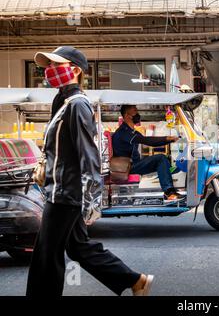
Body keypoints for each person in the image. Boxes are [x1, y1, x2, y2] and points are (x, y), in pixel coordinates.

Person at [27, 46, 152, 296]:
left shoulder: (78, 105)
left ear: (74, 70)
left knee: (46, 256)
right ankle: (135, 281)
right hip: (59, 189)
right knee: (78, 248)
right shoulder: (62, 102)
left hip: (65, 193)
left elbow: (89, 155)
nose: (49, 71)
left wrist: (92, 202)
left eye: (55, 65)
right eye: (48, 66)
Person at [112, 105, 181, 201]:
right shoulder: (124, 132)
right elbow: (147, 141)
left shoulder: (132, 131)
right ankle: (169, 192)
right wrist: (167, 139)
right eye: (135, 111)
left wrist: (168, 139)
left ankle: (173, 185)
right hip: (128, 167)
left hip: (134, 164)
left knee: (167, 162)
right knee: (160, 158)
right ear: (127, 115)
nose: (138, 114)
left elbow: (148, 141)